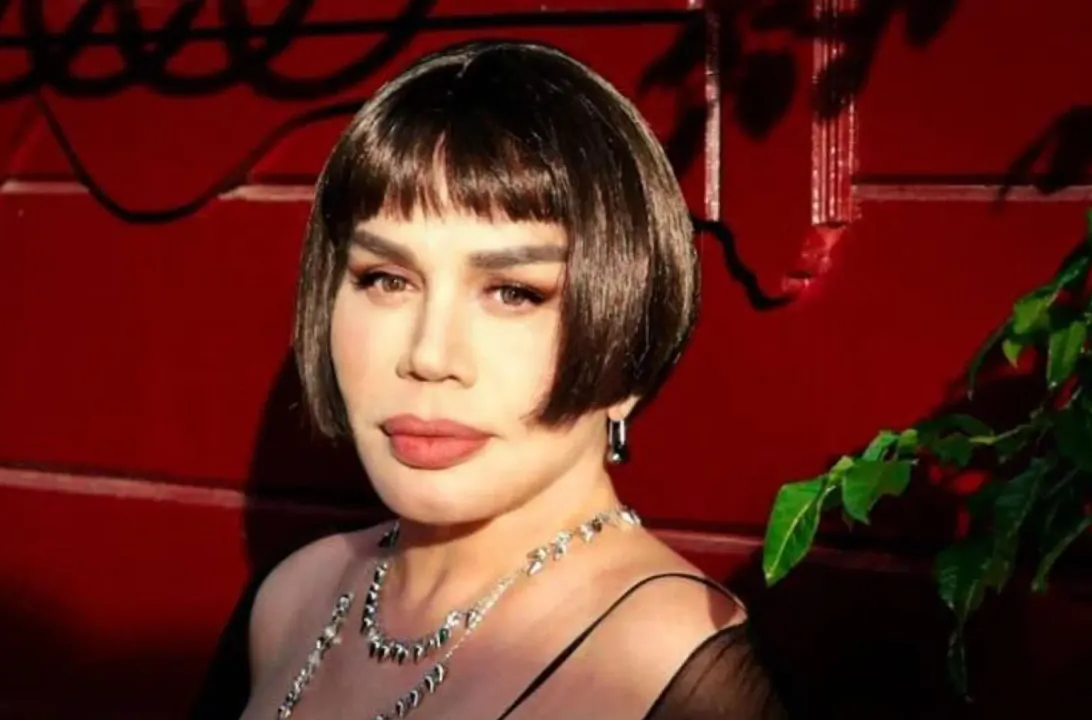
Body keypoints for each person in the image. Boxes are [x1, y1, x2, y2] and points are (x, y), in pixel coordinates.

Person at [231, 40, 787, 720]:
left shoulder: (669, 666)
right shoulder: (293, 598)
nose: (429, 355)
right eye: (386, 279)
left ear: (629, 334)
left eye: (513, 293)